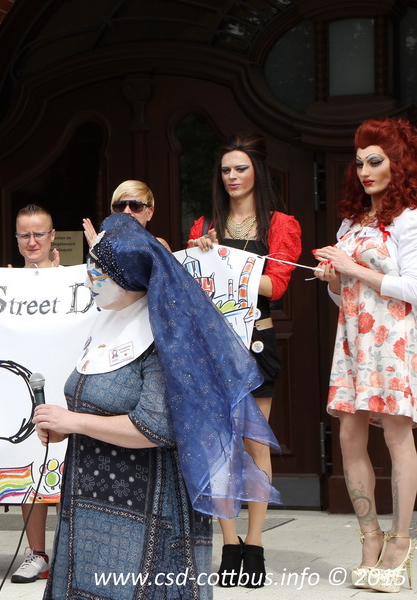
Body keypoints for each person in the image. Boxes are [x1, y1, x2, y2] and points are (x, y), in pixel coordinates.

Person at [34, 212, 279, 600]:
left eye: (99, 273)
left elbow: (155, 427)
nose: (89, 280)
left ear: (128, 278)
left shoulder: (166, 338)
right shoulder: (109, 321)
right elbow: (94, 403)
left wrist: (74, 422)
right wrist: (63, 426)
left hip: (148, 509)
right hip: (91, 503)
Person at [187, 132, 301, 588]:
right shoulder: (204, 226)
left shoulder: (280, 224)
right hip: (213, 345)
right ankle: (229, 542)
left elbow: (277, 285)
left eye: (241, 168)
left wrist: (225, 262)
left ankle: (255, 544)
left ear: (257, 172)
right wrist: (203, 256)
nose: (232, 176)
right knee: (220, 445)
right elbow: (194, 288)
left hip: (256, 341)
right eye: (226, 170)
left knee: (254, 444)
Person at [314, 117, 417, 593]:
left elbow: (413, 288)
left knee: (397, 435)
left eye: (375, 161)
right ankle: (370, 536)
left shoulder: (409, 218)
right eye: (359, 163)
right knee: (349, 436)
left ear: (398, 163)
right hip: (353, 339)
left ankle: (401, 541)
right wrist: (334, 279)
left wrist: (352, 268)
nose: (365, 172)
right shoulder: (352, 222)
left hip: (393, 340)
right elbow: (343, 295)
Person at [7, 203, 58, 583]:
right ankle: (36, 552)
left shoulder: (74, 281)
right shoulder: (5, 284)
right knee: (30, 470)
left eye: (39, 234)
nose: (32, 241)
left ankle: (70, 550)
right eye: (25, 234)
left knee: (68, 468)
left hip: (65, 388)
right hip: (24, 391)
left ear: (53, 236)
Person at [82, 180, 170, 250]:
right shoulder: (105, 248)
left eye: (135, 206)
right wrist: (97, 253)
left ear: (149, 213)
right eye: (120, 206)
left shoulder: (157, 245)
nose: (127, 211)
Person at [14, 203, 59, 269]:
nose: (32, 243)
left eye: (39, 235)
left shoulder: (71, 275)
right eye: (25, 236)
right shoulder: (9, 275)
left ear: (52, 235)